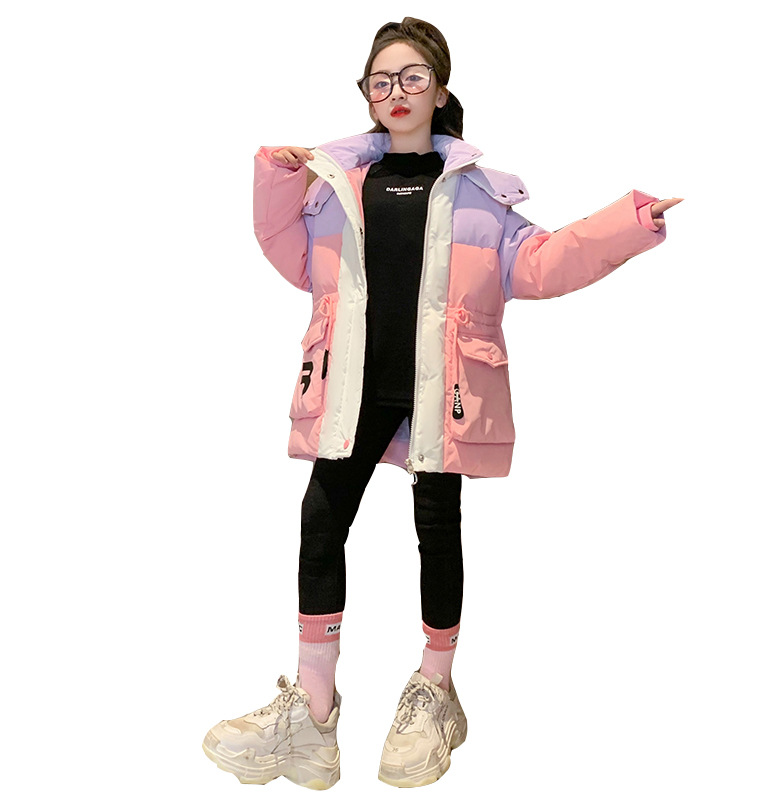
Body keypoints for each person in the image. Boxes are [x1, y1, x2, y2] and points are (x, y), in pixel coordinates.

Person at [201, 16, 682, 791]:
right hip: (353, 387)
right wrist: (280, 174)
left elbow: (541, 263)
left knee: (437, 527)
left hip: (442, 392)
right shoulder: (336, 188)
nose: (396, 92)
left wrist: (627, 225)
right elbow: (286, 251)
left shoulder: (478, 196)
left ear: (441, 89)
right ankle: (313, 717)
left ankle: (435, 690)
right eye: (381, 81)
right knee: (321, 521)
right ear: (366, 93)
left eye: (413, 77)